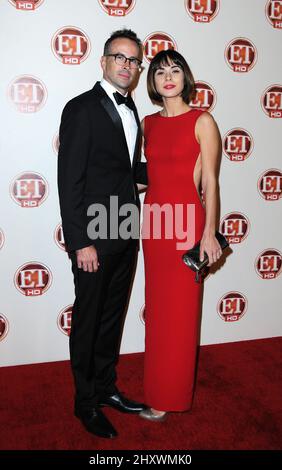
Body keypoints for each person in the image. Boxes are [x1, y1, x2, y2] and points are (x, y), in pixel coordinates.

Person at [57, 29, 147, 438]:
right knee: (90, 319)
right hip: (93, 237)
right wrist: (80, 242)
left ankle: (107, 388)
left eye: (133, 60)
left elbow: (125, 172)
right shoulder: (82, 108)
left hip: (126, 230)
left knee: (112, 319)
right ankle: (85, 402)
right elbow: (69, 179)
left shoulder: (134, 112)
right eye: (119, 57)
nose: (126, 65)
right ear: (104, 62)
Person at [139, 50, 222, 421]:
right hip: (154, 225)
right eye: (159, 72)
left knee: (182, 315)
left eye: (174, 70)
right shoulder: (148, 124)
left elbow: (211, 182)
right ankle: (156, 389)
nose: (167, 77)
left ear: (184, 76)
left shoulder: (202, 121)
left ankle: (172, 396)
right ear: (153, 82)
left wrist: (209, 234)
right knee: (158, 312)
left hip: (187, 223)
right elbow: (147, 176)